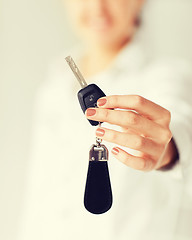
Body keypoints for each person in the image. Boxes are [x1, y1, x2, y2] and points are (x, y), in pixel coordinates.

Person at [18, 0, 192, 240]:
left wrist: (168, 152)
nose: (97, 7)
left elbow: (178, 125)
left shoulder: (170, 77)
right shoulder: (52, 87)